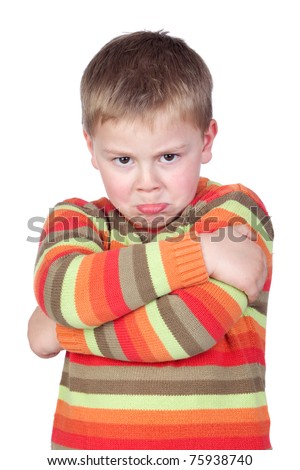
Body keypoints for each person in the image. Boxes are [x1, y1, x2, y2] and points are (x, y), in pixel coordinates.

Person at [28, 30, 274, 450]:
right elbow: (63, 291)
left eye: (169, 157)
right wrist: (199, 255)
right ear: (91, 146)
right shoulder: (76, 219)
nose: (147, 185)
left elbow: (187, 326)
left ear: (206, 140)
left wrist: (63, 330)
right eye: (123, 160)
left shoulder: (233, 211)